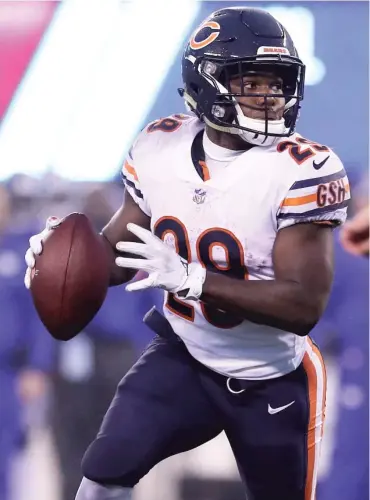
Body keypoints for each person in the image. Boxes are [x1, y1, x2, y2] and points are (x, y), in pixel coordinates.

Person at [24, 7, 351, 500]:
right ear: (206, 83)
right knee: (101, 478)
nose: (270, 97)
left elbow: (303, 307)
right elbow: (118, 251)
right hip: (186, 356)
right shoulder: (160, 147)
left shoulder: (302, 170)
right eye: (252, 83)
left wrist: (194, 281)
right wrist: (62, 256)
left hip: (273, 377)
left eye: (277, 83)